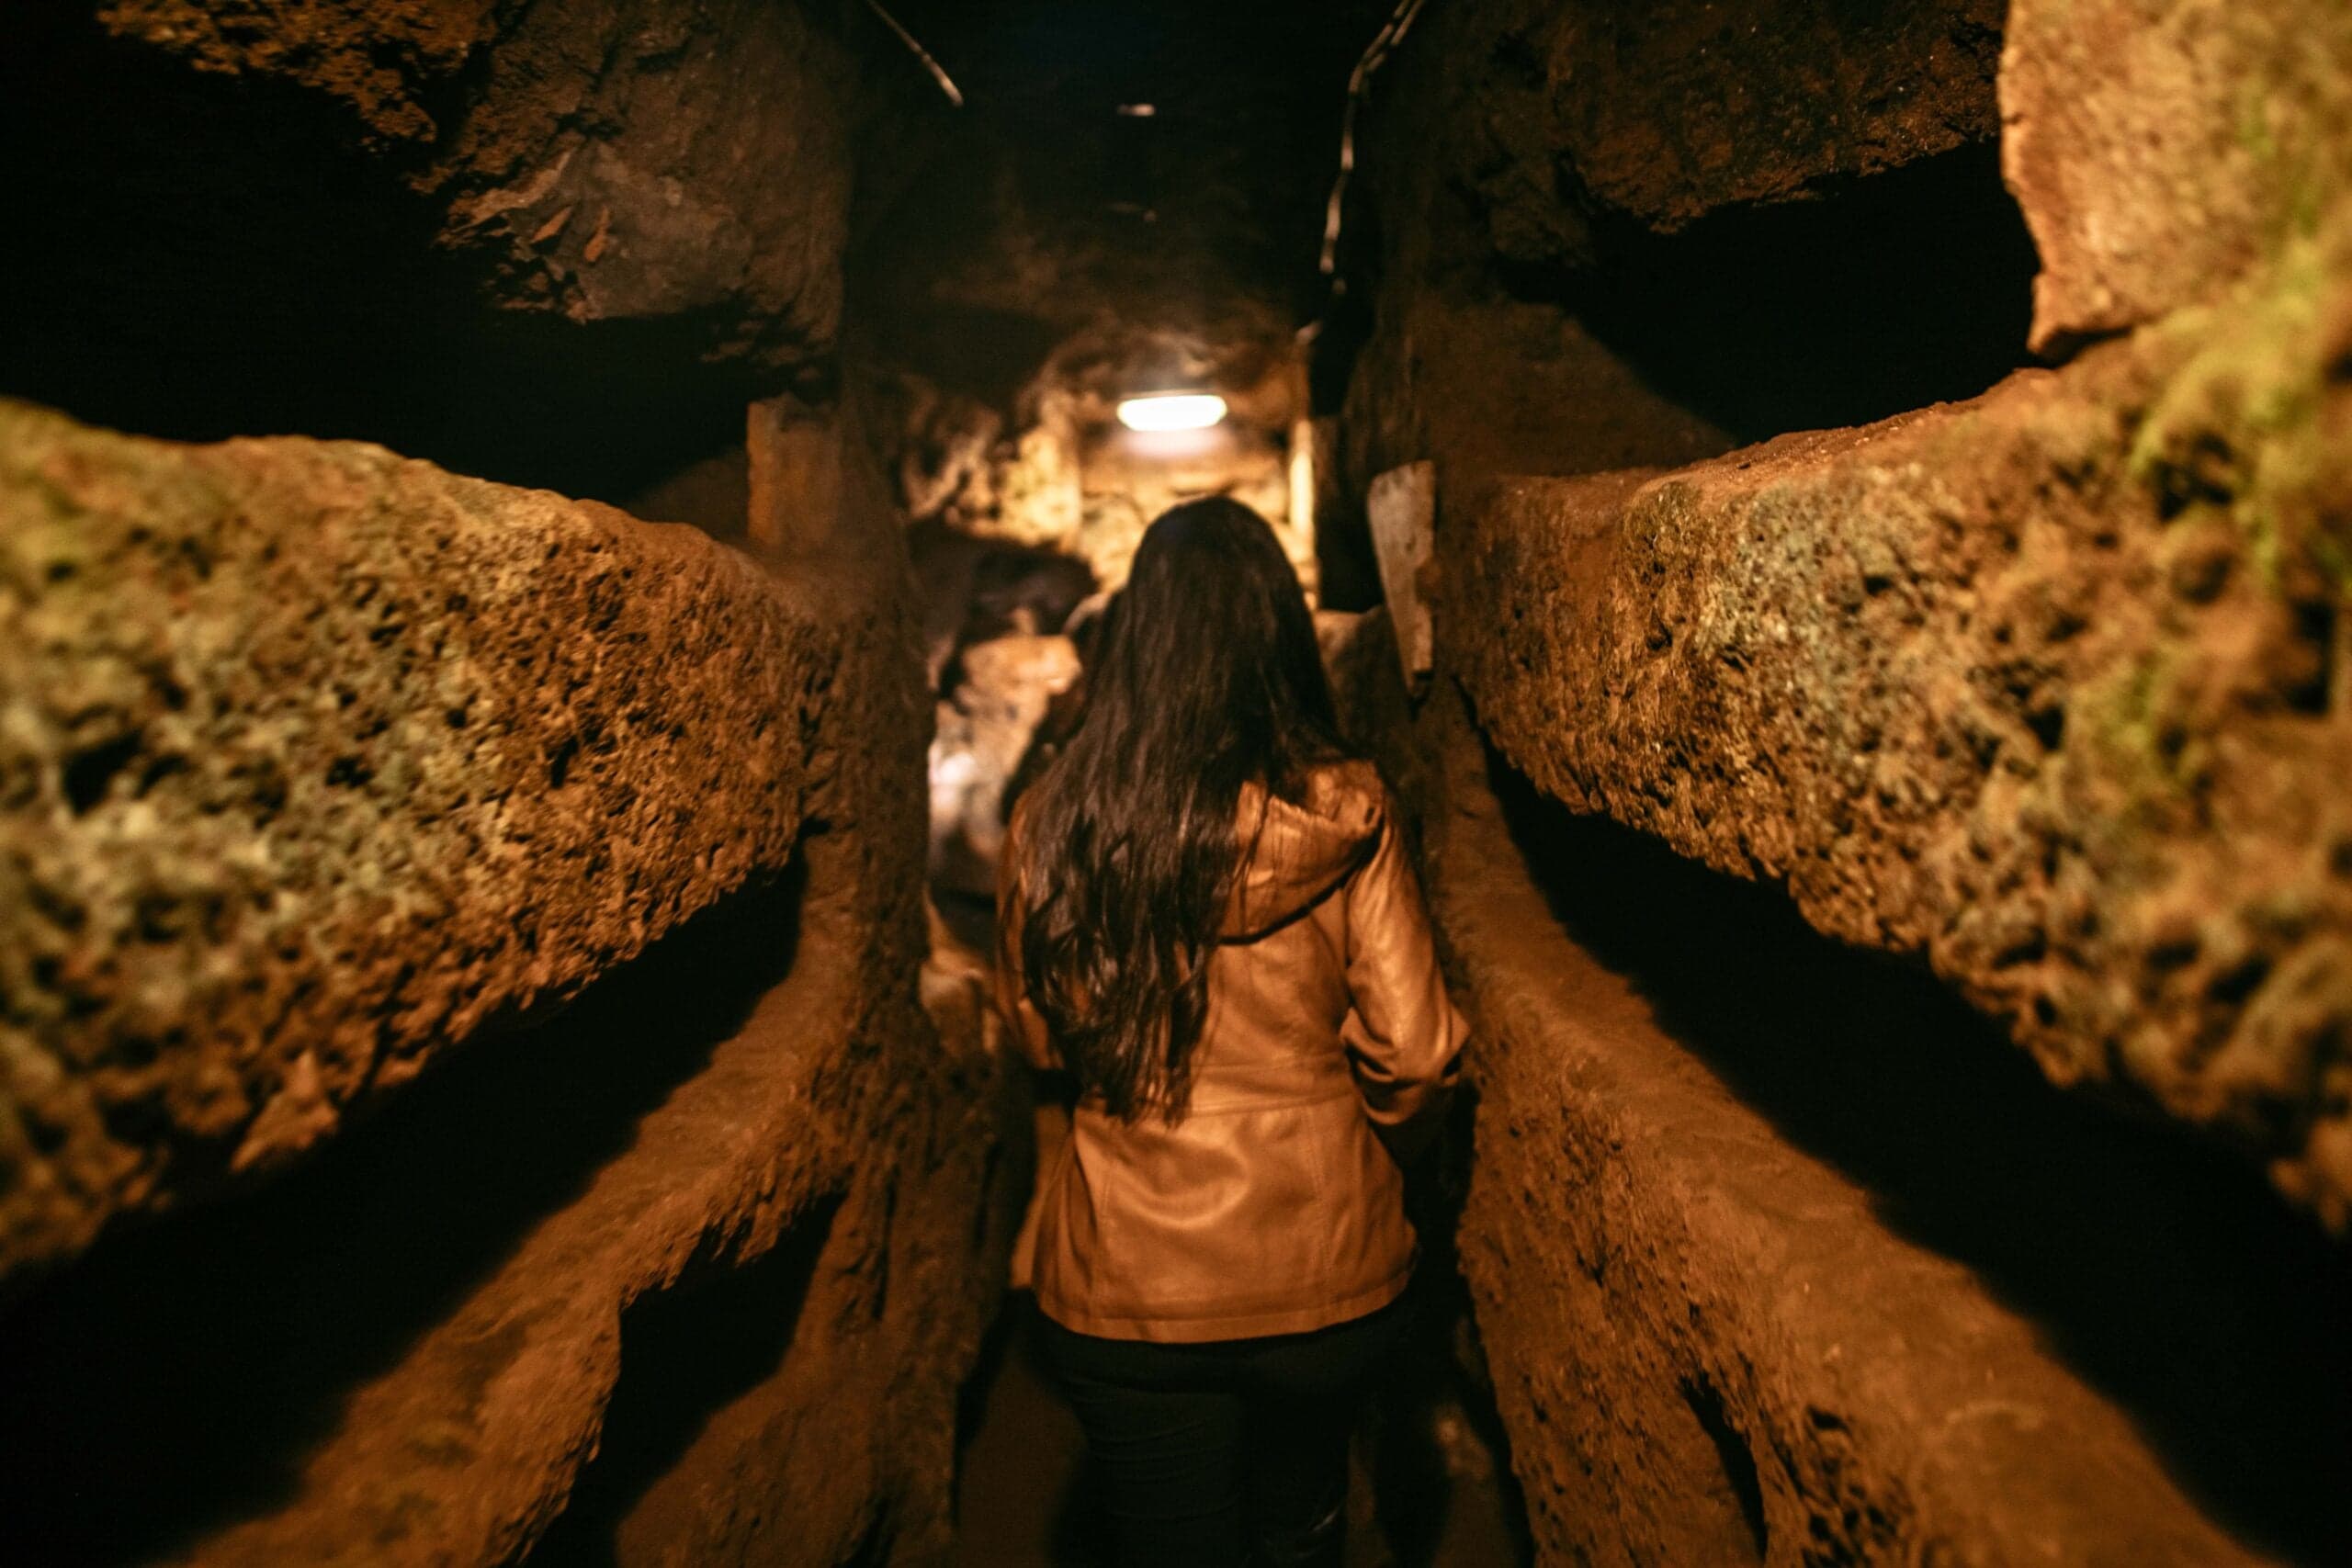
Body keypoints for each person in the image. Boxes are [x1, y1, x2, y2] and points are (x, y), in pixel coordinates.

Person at [994, 495, 1468, 1567]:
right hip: (1324, 1267)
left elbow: (1035, 1034)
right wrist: (1363, 1161)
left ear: (1136, 640)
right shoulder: (1346, 812)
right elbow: (1417, 1049)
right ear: (1277, 633)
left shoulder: (1053, 820)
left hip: (1126, 1280)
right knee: (1299, 1533)